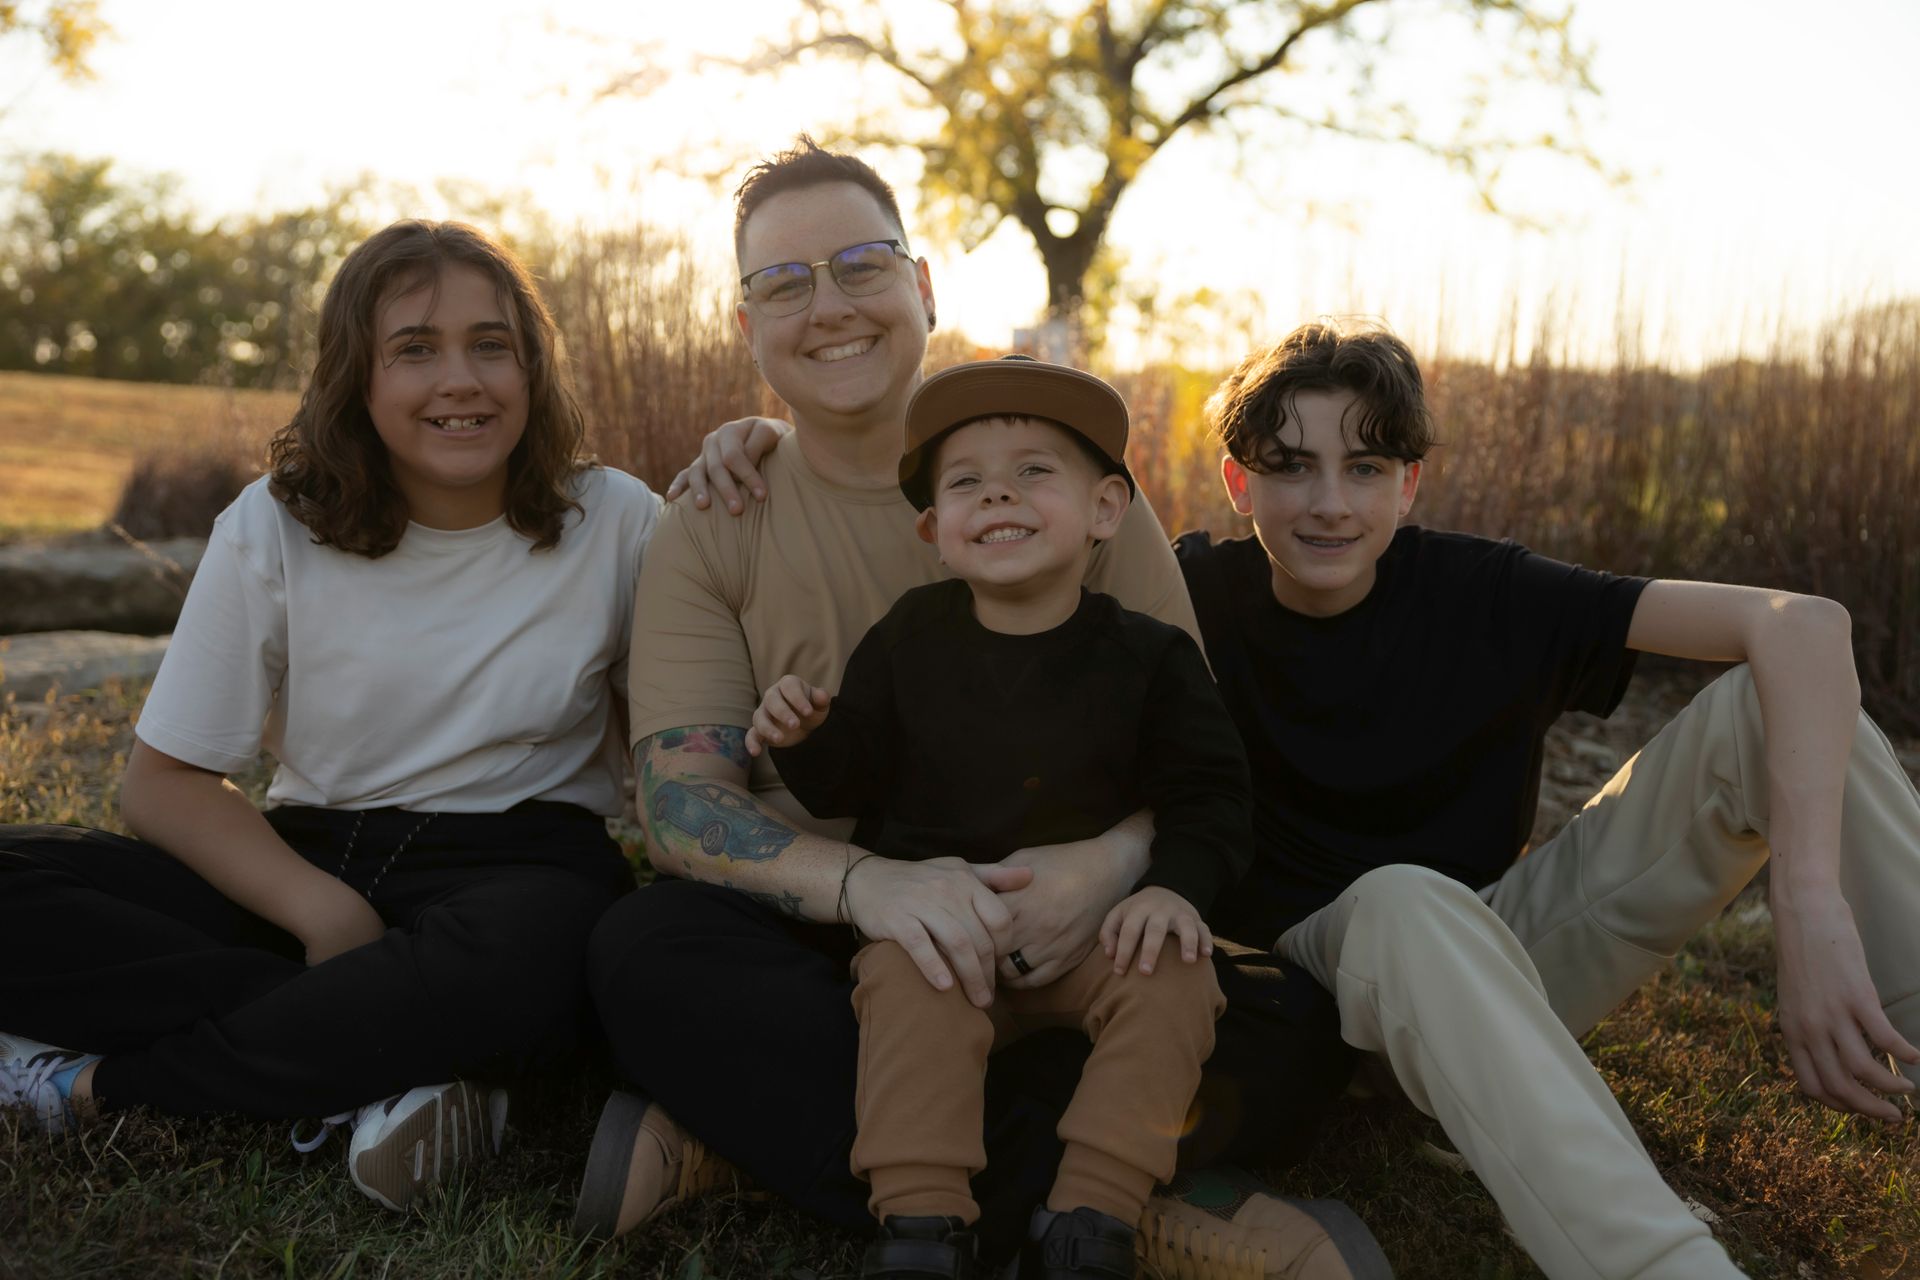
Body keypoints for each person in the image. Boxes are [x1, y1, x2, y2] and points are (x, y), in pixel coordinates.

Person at [578, 139, 1380, 1278]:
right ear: (747, 326)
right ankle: (1109, 1211)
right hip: (831, 939)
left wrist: (1103, 865)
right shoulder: (717, 514)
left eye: (861, 263)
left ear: (923, 287)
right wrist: (877, 888)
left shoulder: (1076, 480)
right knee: (642, 951)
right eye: (783, 282)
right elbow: (680, 804)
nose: (828, 304)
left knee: (1285, 1020)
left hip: (1070, 932)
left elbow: (1193, 756)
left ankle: (756, 1145)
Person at [1170, 319, 1920, 1279]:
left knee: (1777, 709)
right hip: (1299, 1006)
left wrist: (1810, 905)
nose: (1328, 504)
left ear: (1408, 483)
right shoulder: (1184, 597)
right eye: (1291, 468)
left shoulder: (1484, 592)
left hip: (1486, 974)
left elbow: (1804, 625)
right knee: (1405, 898)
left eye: (1364, 468)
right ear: (1240, 482)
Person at [0, 219, 660, 1212]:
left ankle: (88, 1085)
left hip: (522, 876)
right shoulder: (275, 521)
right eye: (415, 348)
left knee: (545, 961)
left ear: (533, 365)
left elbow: (667, 747)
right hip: (306, 865)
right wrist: (322, 911)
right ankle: (403, 1066)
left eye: (492, 344)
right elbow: (163, 781)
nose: (462, 379)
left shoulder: (614, 518)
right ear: (356, 374)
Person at [747, 356, 1244, 1278]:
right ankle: (921, 1226)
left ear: (1106, 510)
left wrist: (1173, 888)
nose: (998, 497)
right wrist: (805, 735)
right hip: (947, 932)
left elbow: (1212, 794)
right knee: (904, 976)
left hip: (1091, 937)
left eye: (1033, 473)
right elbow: (842, 787)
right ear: (937, 530)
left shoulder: (1150, 658)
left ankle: (1091, 1217)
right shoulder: (909, 637)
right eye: (967, 483)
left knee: (1178, 971)